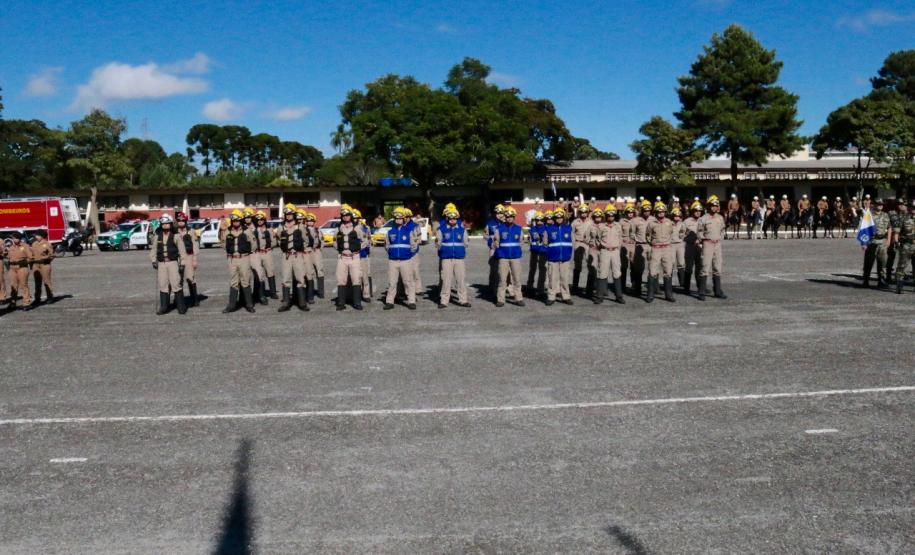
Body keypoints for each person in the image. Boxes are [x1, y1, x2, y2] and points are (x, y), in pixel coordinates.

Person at [149, 213, 188, 315]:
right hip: (162, 264)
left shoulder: (176, 236)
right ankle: (164, 307)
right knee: (163, 285)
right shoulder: (157, 237)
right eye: (163, 224)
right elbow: (153, 250)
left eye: (167, 223)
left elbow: (182, 251)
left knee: (176, 284)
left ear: (170, 224)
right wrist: (153, 260)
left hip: (173, 263)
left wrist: (182, 263)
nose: (165, 225)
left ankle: (181, 307)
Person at [276, 205, 310, 312]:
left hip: (297, 255)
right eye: (287, 214)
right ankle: (286, 303)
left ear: (294, 215)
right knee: (285, 278)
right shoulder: (281, 227)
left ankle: (302, 303)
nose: (288, 216)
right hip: (286, 256)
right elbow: (278, 239)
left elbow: (306, 240)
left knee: (300, 278)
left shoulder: (300, 226)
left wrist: (300, 249)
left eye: (290, 214)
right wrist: (284, 248)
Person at [436, 203, 471, 308]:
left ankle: (463, 300)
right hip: (446, 259)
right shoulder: (441, 229)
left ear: (457, 219)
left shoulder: (462, 230)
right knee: (446, 280)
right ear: (447, 218)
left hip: (459, 259)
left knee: (461, 280)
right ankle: (444, 301)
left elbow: (466, 243)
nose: (452, 220)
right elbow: (438, 244)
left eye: (454, 218)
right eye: (450, 218)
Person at [222, 209, 256, 314]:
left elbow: (254, 244)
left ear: (240, 220)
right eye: (233, 220)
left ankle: (249, 305)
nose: (235, 222)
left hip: (244, 258)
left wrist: (246, 252)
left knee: (245, 281)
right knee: (233, 282)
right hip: (232, 259)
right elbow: (223, 244)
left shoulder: (247, 231)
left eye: (237, 220)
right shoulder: (227, 231)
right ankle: (231, 305)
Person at [383, 207, 417, 310]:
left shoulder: (409, 231)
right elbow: (387, 245)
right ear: (394, 219)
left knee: (408, 282)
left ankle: (411, 301)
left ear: (403, 219)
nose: (398, 220)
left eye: (400, 218)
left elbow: (414, 246)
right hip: (393, 261)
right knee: (392, 282)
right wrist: (392, 253)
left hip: (405, 260)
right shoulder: (390, 232)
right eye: (396, 218)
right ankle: (389, 302)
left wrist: (407, 255)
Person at [334, 205, 365, 311]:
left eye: (347, 215)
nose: (345, 217)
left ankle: (357, 303)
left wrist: (357, 249)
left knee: (356, 279)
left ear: (351, 216)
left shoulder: (357, 228)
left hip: (354, 257)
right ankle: (341, 303)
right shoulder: (338, 228)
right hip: (342, 257)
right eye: (343, 215)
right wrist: (339, 249)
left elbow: (365, 241)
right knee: (341, 279)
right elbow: (335, 241)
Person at [492, 206, 525, 307]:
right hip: (503, 258)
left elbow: (521, 242)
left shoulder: (519, 229)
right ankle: (501, 300)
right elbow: (496, 242)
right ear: (505, 217)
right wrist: (500, 253)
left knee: (517, 279)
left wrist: (516, 251)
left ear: (514, 217)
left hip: (515, 257)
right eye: (508, 216)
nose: (509, 218)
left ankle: (519, 298)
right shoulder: (499, 229)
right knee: (502, 279)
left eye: (511, 216)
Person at [697, 195, 727, 300]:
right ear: (709, 206)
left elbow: (723, 229)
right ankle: (701, 291)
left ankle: (717, 291)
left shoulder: (720, 217)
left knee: (717, 267)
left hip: (717, 244)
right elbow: (699, 232)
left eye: (716, 206)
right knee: (705, 267)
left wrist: (720, 238)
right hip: (708, 244)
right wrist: (703, 240)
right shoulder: (703, 218)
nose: (715, 207)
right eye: (713, 206)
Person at [594, 204, 625, 304]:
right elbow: (597, 239)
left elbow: (620, 238)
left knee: (617, 273)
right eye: (609, 215)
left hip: (615, 251)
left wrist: (617, 248)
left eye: (612, 215)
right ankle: (599, 296)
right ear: (606, 215)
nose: (610, 217)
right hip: (605, 251)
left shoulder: (618, 226)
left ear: (614, 216)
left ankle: (619, 296)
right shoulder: (601, 226)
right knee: (602, 273)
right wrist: (602, 247)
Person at [646, 201, 676, 303]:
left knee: (668, 271)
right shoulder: (651, 224)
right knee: (653, 271)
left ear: (665, 212)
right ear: (655, 212)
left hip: (667, 248)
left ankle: (669, 294)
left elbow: (671, 233)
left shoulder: (669, 222)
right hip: (656, 248)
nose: (660, 213)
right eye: (658, 212)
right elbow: (648, 236)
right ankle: (650, 295)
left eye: (662, 211)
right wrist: (654, 243)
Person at [544, 208, 574, 305]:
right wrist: (549, 253)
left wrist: (569, 254)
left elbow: (572, 242)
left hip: (565, 258)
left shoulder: (568, 228)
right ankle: (551, 297)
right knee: (552, 278)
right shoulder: (548, 229)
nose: (559, 219)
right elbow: (545, 243)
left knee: (565, 278)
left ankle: (566, 296)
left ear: (563, 218)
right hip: (553, 258)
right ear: (554, 218)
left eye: (561, 217)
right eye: (557, 217)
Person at [863, 198, 892, 288]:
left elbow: (889, 227)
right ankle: (866, 281)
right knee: (868, 262)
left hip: (882, 242)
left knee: (882, 263)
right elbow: (864, 229)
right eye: (878, 204)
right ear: (874, 205)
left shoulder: (885, 215)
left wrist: (888, 240)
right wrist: (864, 243)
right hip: (872, 241)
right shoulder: (869, 215)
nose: (880, 206)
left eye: (881, 204)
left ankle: (881, 281)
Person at [250, 210, 278, 305]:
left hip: (267, 252)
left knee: (270, 271)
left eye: (261, 219)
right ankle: (258, 293)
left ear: (264, 220)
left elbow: (274, 242)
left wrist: (269, 247)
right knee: (259, 274)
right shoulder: (254, 230)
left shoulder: (269, 230)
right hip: (258, 253)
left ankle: (273, 292)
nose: (260, 221)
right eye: (258, 220)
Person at [175, 212, 200, 307]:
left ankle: (195, 299)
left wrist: (195, 259)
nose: (181, 222)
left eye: (182, 220)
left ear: (185, 221)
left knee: (190, 278)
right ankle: (179, 301)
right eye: (179, 220)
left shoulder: (191, 231)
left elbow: (195, 246)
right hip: (177, 258)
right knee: (178, 279)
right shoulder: (174, 232)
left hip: (189, 256)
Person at [628, 200, 652, 297]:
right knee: (639, 268)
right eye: (645, 210)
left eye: (648, 210)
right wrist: (636, 240)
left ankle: (654, 288)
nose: (647, 212)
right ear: (642, 210)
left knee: (653, 267)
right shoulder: (635, 220)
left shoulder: (654, 219)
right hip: (639, 245)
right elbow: (631, 233)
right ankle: (637, 289)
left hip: (651, 245)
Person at [29, 228, 55, 306]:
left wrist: (47, 259)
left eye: (37, 235)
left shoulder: (47, 244)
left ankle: (50, 297)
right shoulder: (34, 244)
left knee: (47, 281)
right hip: (36, 265)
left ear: (42, 236)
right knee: (37, 282)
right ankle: (37, 298)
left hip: (45, 264)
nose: (36, 237)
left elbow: (52, 255)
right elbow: (32, 255)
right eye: (35, 235)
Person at [892, 199, 913, 294]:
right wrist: (897, 243)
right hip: (906, 245)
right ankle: (899, 286)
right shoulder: (903, 218)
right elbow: (896, 232)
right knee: (902, 266)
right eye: (912, 207)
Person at [6, 232, 32, 310]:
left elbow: (31, 257)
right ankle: (13, 303)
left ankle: (26, 303)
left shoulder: (25, 246)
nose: (14, 240)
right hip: (12, 268)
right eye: (13, 238)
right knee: (13, 286)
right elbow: (8, 257)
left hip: (22, 267)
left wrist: (25, 262)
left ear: (19, 238)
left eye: (15, 238)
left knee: (23, 285)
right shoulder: (11, 247)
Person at [485, 205, 506, 300]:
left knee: (506, 269)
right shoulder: (490, 223)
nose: (499, 215)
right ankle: (493, 288)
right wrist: (490, 240)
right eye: (497, 213)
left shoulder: (506, 223)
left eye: (501, 213)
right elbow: (485, 235)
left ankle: (508, 288)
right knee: (494, 269)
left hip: (504, 249)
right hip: (493, 249)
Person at [571, 203, 592, 294]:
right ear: (579, 212)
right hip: (578, 243)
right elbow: (572, 233)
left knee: (590, 265)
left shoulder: (591, 222)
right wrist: (573, 244)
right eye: (582, 212)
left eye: (585, 212)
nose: (583, 214)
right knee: (577, 265)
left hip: (588, 245)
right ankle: (575, 287)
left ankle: (589, 288)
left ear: (587, 213)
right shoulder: (575, 222)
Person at [304, 212, 325, 299]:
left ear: (314, 221)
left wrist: (319, 250)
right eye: (308, 220)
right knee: (309, 272)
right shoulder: (304, 230)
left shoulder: (318, 230)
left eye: (311, 221)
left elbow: (322, 241)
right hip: (308, 252)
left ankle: (321, 292)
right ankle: (310, 292)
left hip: (316, 251)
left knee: (320, 270)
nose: (310, 222)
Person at [526, 211, 547, 298]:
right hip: (534, 251)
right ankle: (529, 287)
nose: (539, 221)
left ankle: (540, 289)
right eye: (537, 220)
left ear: (543, 220)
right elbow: (529, 240)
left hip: (543, 252)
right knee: (532, 269)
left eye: (541, 220)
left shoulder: (546, 229)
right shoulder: (532, 229)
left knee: (542, 270)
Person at [354, 209, 373, 303]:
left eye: (356, 218)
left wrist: (366, 250)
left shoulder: (363, 228)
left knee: (364, 275)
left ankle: (366, 294)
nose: (354, 219)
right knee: (354, 277)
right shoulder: (346, 228)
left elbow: (367, 241)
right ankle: (355, 294)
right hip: (351, 256)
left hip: (362, 254)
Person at [619, 203, 635, 291]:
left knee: (633, 265)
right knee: (624, 265)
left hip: (634, 245)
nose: (630, 214)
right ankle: (622, 285)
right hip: (624, 244)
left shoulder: (637, 221)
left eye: (632, 212)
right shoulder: (621, 222)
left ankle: (634, 283)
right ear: (626, 213)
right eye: (629, 212)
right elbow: (619, 234)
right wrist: (621, 243)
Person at [670, 207, 686, 290]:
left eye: (678, 216)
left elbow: (686, 233)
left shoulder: (682, 224)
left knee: (681, 263)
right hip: (671, 244)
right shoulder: (669, 224)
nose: (677, 217)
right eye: (675, 216)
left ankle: (682, 282)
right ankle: (669, 282)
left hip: (680, 244)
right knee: (671, 263)